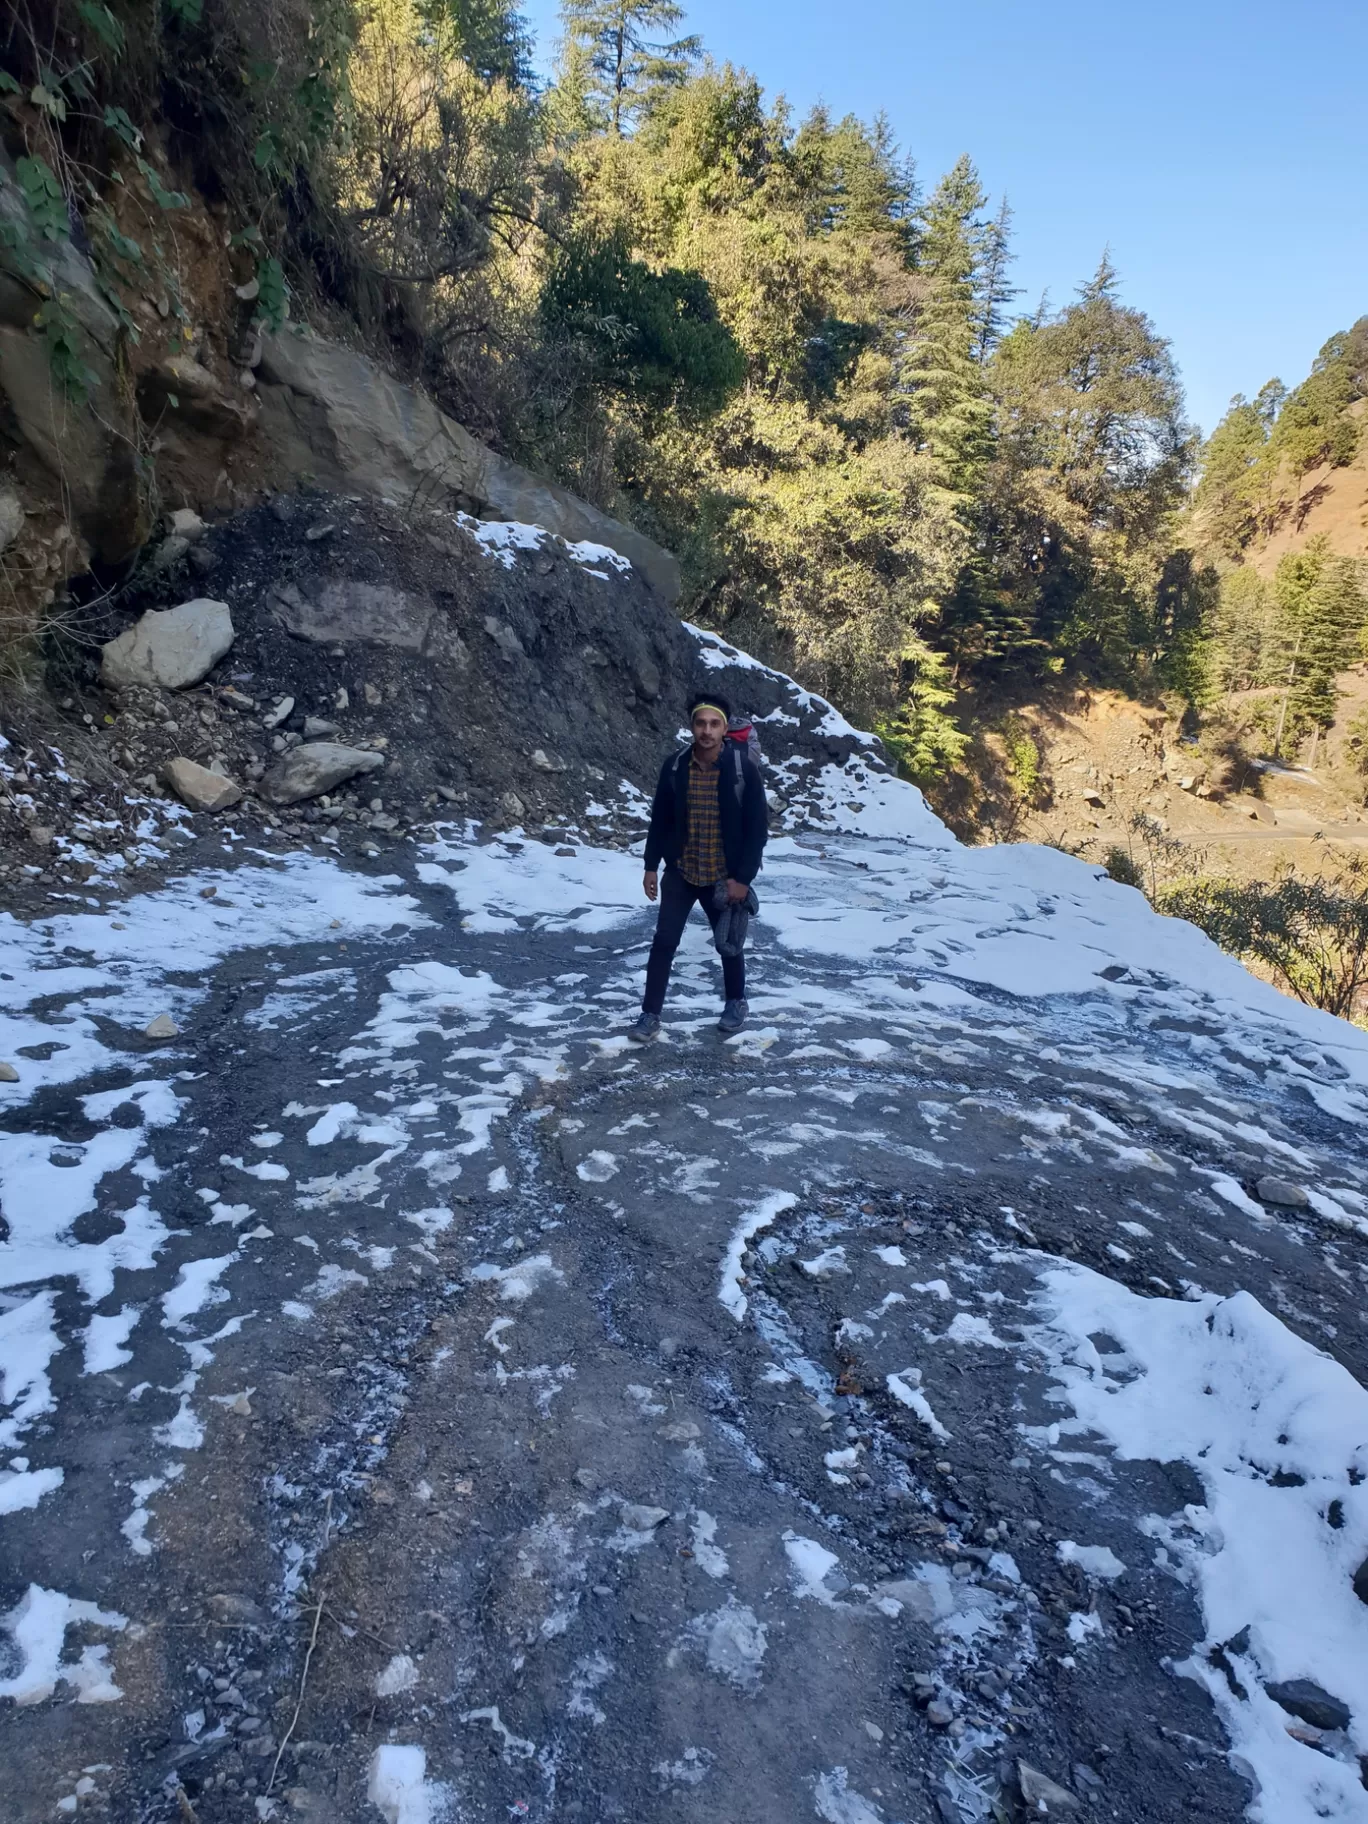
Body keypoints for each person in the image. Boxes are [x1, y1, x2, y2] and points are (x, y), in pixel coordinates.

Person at [629, 693, 768, 1040]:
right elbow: (660, 819)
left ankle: (736, 1002)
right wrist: (650, 866)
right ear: (691, 726)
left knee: (729, 943)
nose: (706, 730)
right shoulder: (675, 766)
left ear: (724, 729)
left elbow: (757, 829)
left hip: (723, 877)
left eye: (714, 723)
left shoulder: (741, 769)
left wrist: (743, 878)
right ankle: (650, 1014)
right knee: (664, 942)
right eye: (700, 723)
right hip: (682, 872)